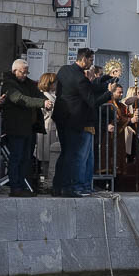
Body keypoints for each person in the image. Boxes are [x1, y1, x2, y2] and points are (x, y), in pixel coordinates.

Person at [53, 48, 115, 197]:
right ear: (84, 59)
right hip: (74, 120)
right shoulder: (80, 77)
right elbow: (93, 101)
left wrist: (106, 79)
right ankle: (68, 187)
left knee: (65, 153)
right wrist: (109, 93)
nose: (92, 63)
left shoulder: (64, 70)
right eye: (91, 60)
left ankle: (57, 186)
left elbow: (88, 87)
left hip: (61, 117)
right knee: (72, 155)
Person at [1, 59, 51, 197]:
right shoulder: (8, 85)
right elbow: (20, 99)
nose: (25, 75)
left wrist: (44, 99)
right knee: (16, 158)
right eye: (22, 72)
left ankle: (24, 185)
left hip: (28, 128)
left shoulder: (27, 83)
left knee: (26, 159)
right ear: (14, 71)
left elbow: (37, 93)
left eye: (26, 72)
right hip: (16, 127)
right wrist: (42, 102)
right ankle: (15, 187)